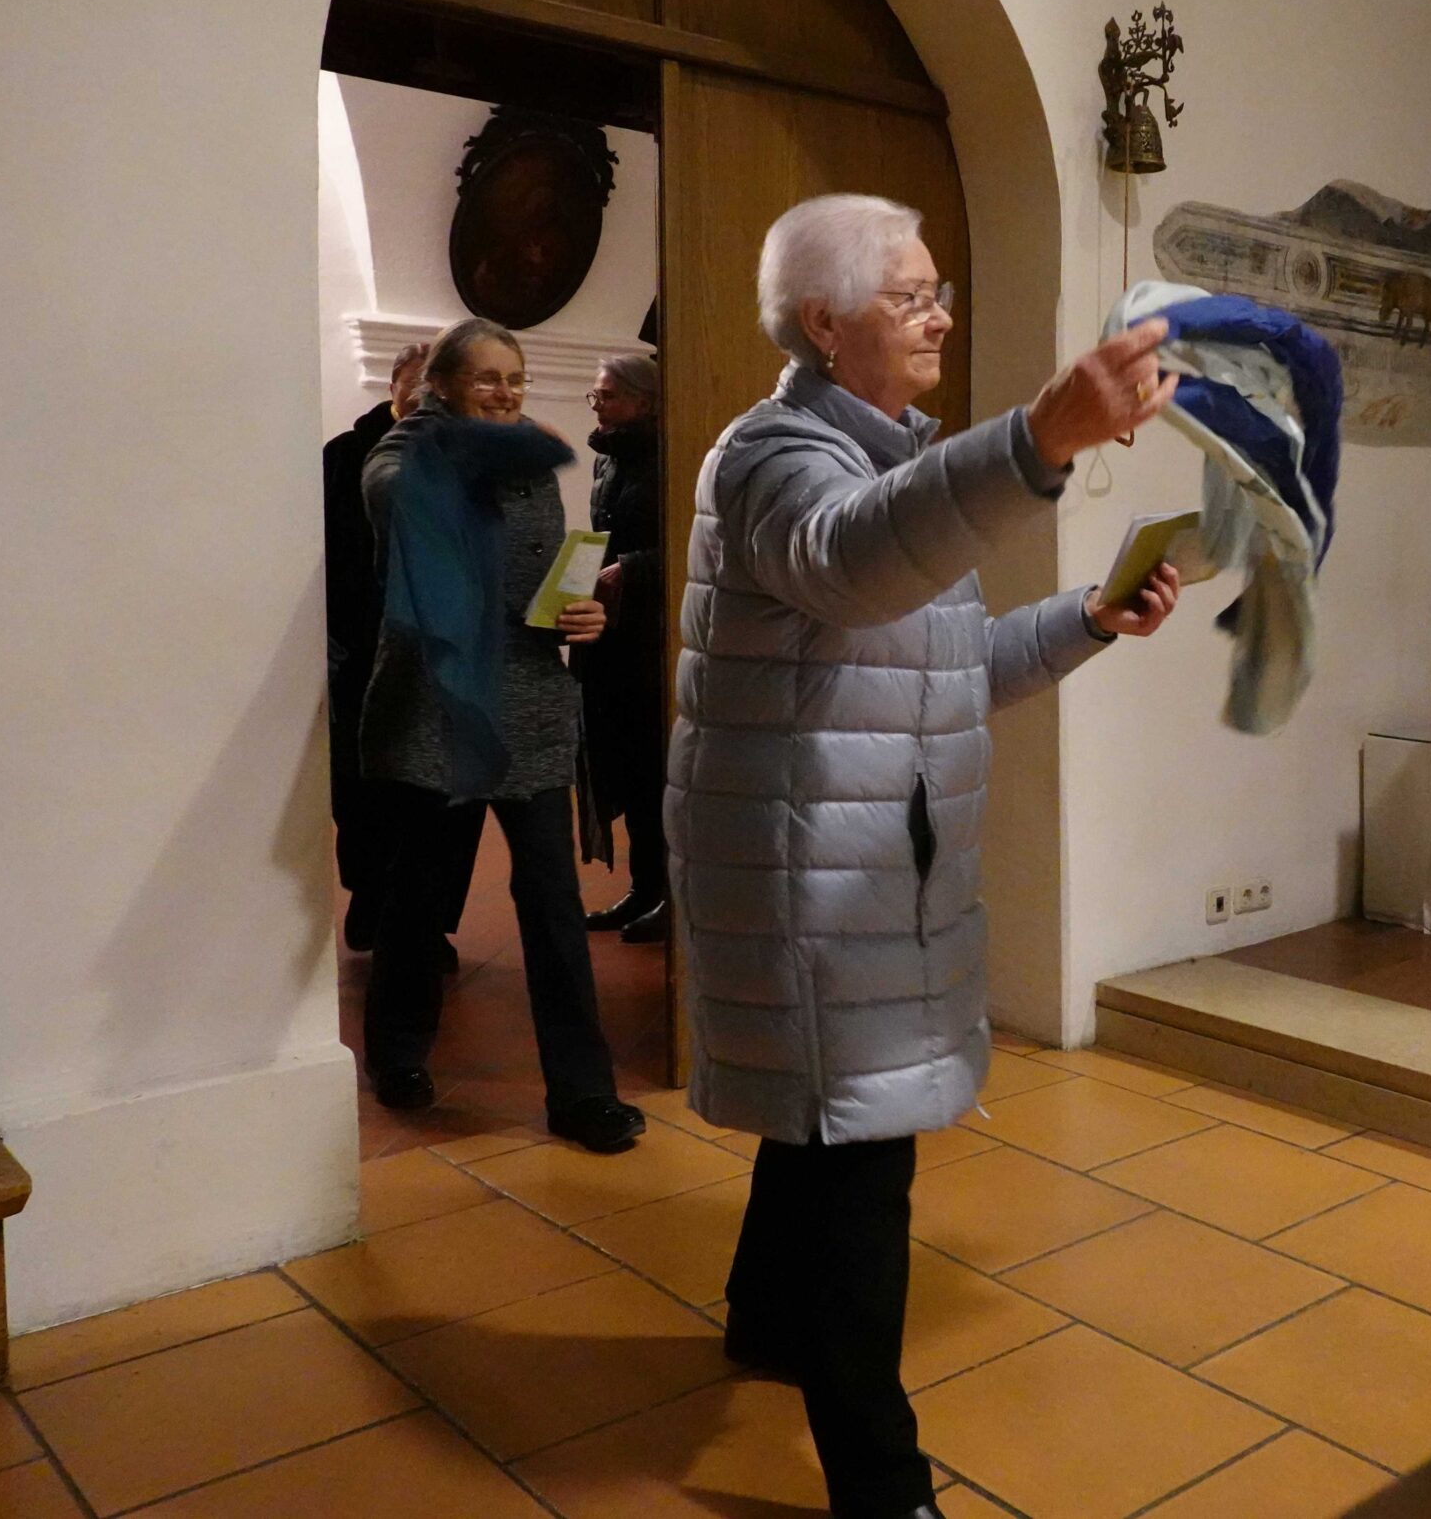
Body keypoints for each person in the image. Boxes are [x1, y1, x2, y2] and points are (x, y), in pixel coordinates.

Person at [668, 194, 1183, 1519]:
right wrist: (1038, 439)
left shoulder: (898, 462)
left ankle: (763, 1318)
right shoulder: (775, 458)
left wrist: (1087, 617)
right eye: (911, 297)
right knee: (863, 1154)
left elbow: (949, 667)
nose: (941, 316)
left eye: (939, 291)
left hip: (859, 864)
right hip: (810, 873)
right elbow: (852, 565)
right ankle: (882, 1485)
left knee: (829, 1109)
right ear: (824, 323)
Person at [358, 317, 646, 1154]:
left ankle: (583, 1092)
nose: (505, 392)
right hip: (439, 714)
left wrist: (578, 613)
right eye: (486, 378)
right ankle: (398, 1051)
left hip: (528, 710)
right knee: (421, 896)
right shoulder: (402, 456)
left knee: (553, 904)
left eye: (515, 378)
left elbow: (538, 584)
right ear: (442, 385)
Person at [325, 342, 483, 961]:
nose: (425, 397)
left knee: (447, 800)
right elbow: (332, 554)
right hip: (368, 646)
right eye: (416, 384)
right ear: (393, 383)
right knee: (368, 792)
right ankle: (371, 897)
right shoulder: (346, 455)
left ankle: (429, 923)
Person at [573, 351, 670, 940]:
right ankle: (644, 888)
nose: (598, 405)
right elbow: (601, 537)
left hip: (653, 637)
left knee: (656, 768)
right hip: (611, 633)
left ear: (644, 400)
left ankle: (671, 895)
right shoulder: (607, 461)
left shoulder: (671, 454)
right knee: (628, 766)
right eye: (595, 395)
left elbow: (690, 540)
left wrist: (633, 567)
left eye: (607, 395)